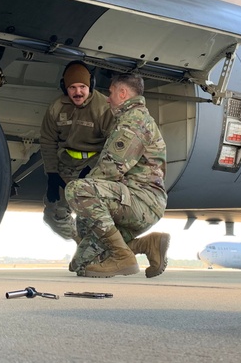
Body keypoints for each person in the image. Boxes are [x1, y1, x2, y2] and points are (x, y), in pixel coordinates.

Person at [65, 72, 170, 278]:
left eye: (111, 92)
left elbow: (110, 170)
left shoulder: (134, 121)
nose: (107, 97)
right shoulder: (130, 119)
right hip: (132, 201)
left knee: (77, 190)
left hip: (141, 202)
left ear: (123, 93)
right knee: (82, 264)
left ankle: (122, 256)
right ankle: (147, 245)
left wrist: (81, 202)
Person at [39, 61, 115, 242]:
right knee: (53, 214)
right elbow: (48, 141)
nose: (78, 92)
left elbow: (113, 145)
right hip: (68, 166)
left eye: (82, 86)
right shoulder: (56, 108)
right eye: (72, 87)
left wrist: (93, 170)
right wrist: (52, 174)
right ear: (64, 87)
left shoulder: (104, 108)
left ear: (91, 85)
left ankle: (109, 249)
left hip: (94, 167)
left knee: (94, 214)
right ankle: (82, 244)